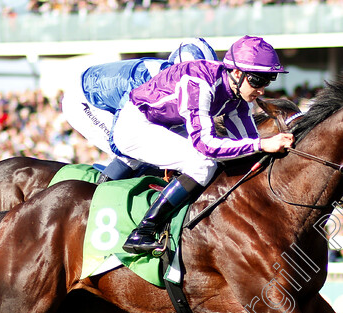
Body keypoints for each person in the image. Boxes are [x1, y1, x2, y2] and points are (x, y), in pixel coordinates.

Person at [111, 35, 295, 254]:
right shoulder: (199, 82)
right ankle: (144, 231)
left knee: (235, 158)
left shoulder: (239, 96)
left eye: (268, 80)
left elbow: (248, 148)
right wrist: (263, 144)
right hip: (136, 126)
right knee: (202, 164)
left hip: (164, 126)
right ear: (237, 73)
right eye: (257, 81)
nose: (262, 90)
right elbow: (206, 145)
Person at [61, 38, 218, 183]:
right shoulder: (150, 79)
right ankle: (98, 199)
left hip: (105, 98)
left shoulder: (172, 77)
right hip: (84, 102)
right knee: (131, 154)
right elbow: (124, 126)